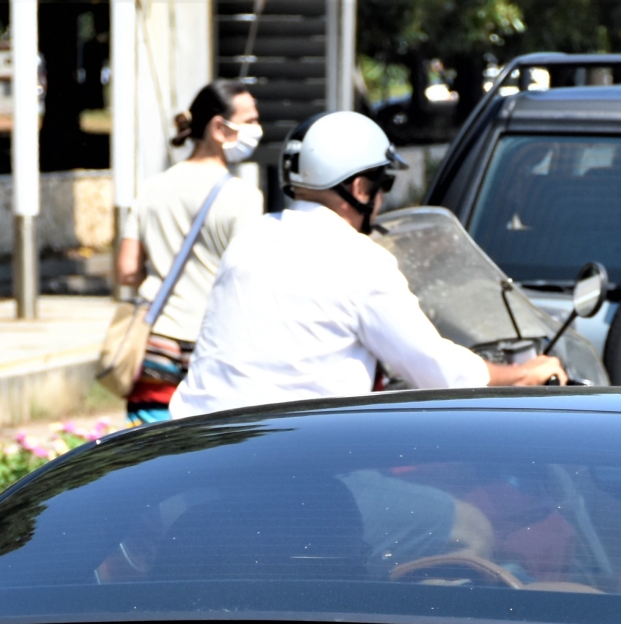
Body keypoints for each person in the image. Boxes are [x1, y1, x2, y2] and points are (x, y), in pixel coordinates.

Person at [170, 111, 563, 419]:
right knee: (458, 518)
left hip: (198, 437)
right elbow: (436, 369)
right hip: (287, 460)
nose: (382, 197)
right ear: (360, 188)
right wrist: (522, 375)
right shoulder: (361, 259)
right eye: (384, 184)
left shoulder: (250, 238)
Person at [115, 81, 265, 423]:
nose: (258, 130)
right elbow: (248, 278)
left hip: (156, 339)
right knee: (208, 454)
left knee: (148, 451)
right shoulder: (243, 197)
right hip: (213, 344)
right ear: (218, 127)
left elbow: (125, 270)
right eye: (250, 121)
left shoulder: (152, 187)